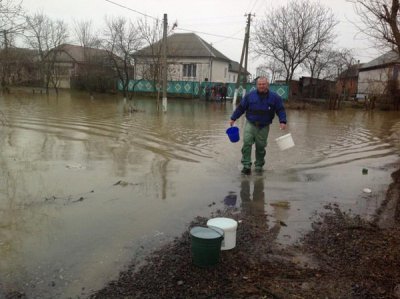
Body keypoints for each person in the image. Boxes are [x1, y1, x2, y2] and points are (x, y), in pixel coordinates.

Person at [229, 76, 287, 175]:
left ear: (267, 84)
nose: (261, 86)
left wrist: (283, 121)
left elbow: (280, 109)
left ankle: (259, 166)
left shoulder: (275, 97)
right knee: (247, 143)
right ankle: (246, 165)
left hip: (264, 126)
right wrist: (233, 118)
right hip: (250, 124)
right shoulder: (249, 96)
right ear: (257, 85)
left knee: (260, 147)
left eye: (263, 84)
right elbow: (241, 108)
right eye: (259, 84)